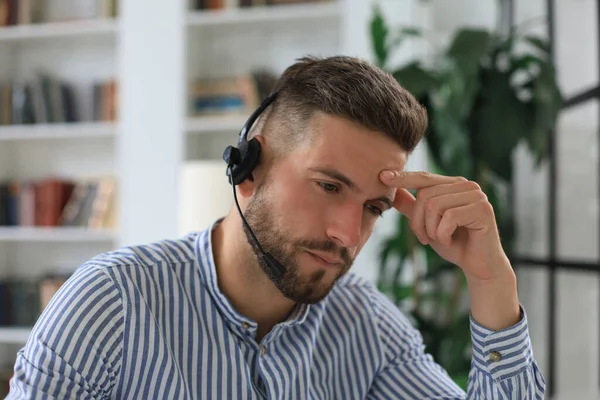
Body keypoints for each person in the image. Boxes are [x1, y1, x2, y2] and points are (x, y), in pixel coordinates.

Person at [7, 55, 545, 399]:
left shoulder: (366, 329)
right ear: (249, 170)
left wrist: (492, 282)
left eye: (373, 208)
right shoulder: (112, 303)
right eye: (329, 187)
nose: (347, 234)